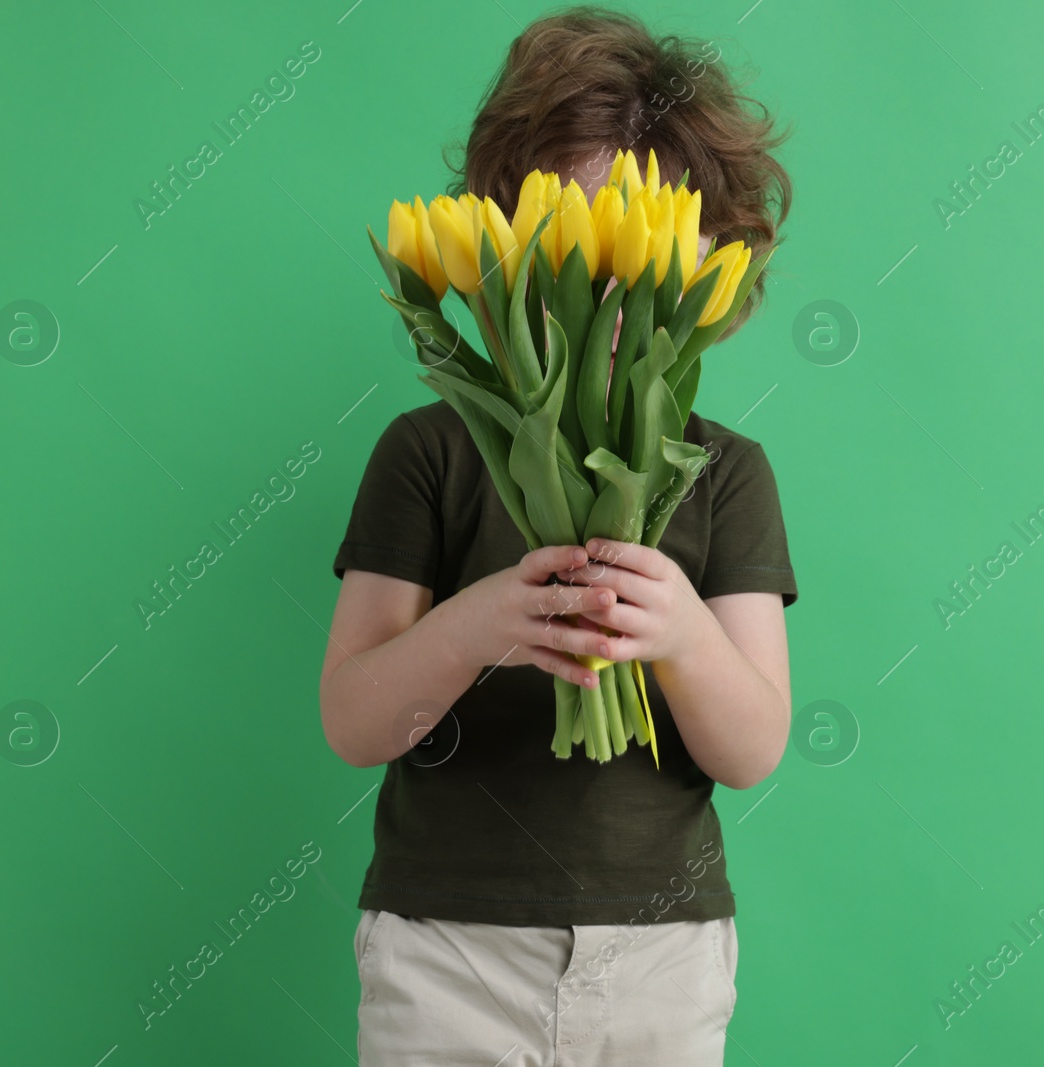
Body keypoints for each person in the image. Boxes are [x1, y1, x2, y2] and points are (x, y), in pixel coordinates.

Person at [319, 7, 796, 1064]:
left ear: (711, 250)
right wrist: (480, 621)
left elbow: (752, 743)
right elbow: (354, 721)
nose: (603, 275)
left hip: (662, 949)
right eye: (566, 230)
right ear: (500, 232)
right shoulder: (429, 452)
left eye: (649, 232)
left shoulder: (725, 472)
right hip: (446, 945)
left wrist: (677, 633)